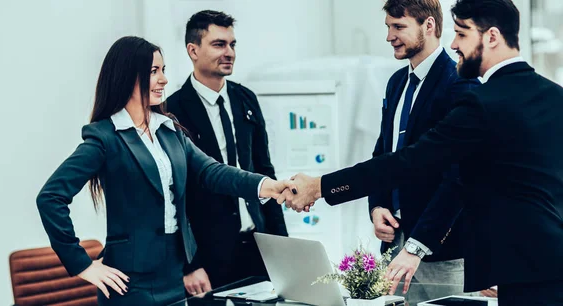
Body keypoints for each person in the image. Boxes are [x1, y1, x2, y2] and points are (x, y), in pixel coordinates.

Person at [279, 0, 563, 304]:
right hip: (549, 263)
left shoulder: (480, 101)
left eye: (462, 34)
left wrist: (320, 187)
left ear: (491, 37)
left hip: (510, 269)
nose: (454, 44)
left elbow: (410, 162)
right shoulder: (554, 96)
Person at [36, 36, 292, 306]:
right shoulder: (105, 137)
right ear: (127, 77)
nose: (164, 79)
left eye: (163, 70)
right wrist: (82, 264)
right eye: (153, 71)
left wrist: (267, 186)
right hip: (129, 284)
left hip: (173, 275)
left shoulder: (168, 130)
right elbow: (51, 197)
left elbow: (213, 172)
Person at [167, 10, 288, 295]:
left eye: (232, 44)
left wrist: (283, 245)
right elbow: (174, 197)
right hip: (209, 258)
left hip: (259, 245)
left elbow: (264, 171)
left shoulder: (245, 99)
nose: (229, 52)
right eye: (219, 44)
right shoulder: (172, 111)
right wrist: (189, 264)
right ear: (193, 50)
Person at [370, 0, 479, 297]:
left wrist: (418, 244)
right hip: (394, 244)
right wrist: (377, 206)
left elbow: (460, 176)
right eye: (388, 27)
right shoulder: (396, 84)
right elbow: (384, 154)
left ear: (428, 26)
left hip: (442, 251)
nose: (389, 36)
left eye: (399, 27)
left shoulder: (460, 83)